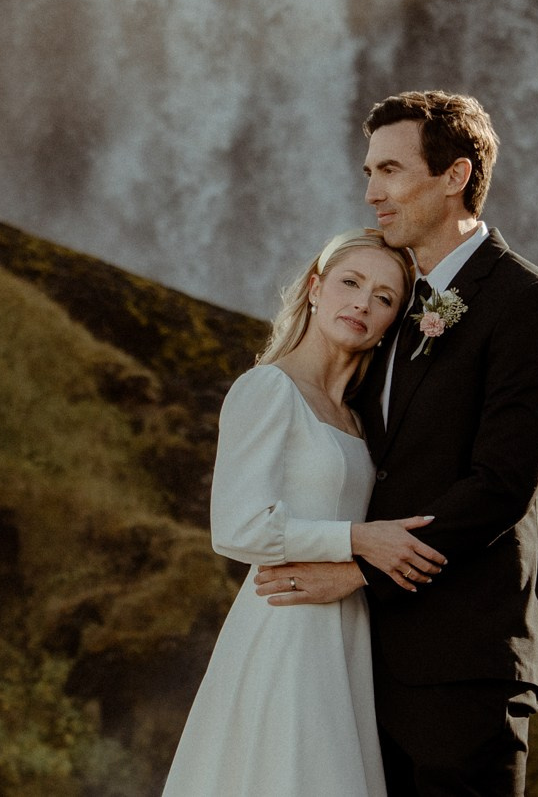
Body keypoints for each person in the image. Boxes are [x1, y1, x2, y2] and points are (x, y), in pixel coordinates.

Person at [255, 91, 538, 797]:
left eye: (391, 170)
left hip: (465, 657)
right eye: (369, 172)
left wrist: (360, 571)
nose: (371, 193)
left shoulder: (529, 302)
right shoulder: (388, 306)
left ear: (455, 175)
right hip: (361, 661)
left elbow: (502, 484)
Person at [162, 229, 449, 797]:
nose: (363, 303)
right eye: (351, 282)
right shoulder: (268, 386)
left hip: (346, 627)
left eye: (385, 298)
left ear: (394, 322)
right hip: (285, 621)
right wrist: (359, 540)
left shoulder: (358, 418)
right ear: (316, 289)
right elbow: (238, 528)